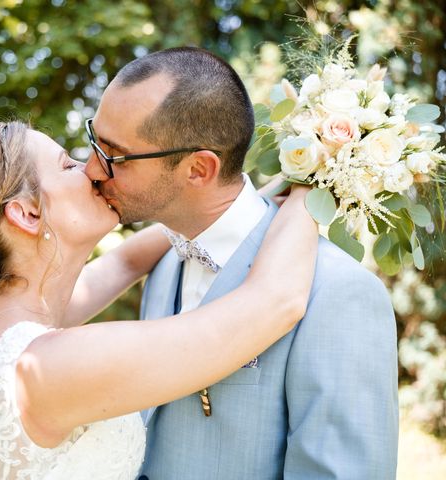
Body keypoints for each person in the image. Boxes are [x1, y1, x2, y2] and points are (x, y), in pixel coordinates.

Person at [0, 121, 318, 479]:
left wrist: (240, 206)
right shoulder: (48, 367)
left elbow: (124, 262)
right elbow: (275, 301)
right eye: (67, 165)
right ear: (28, 214)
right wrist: (316, 178)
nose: (91, 169)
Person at [84, 47, 399, 479]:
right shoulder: (161, 265)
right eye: (92, 141)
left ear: (198, 169)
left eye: (113, 155)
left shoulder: (337, 291)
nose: (91, 169)